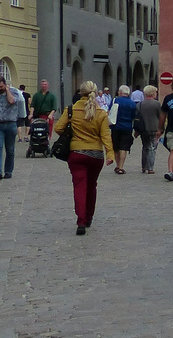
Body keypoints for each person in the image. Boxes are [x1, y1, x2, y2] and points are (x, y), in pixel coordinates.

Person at [53, 81, 114, 234]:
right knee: (92, 186)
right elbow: (105, 135)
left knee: (79, 186)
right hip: (96, 155)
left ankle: (81, 221)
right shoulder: (100, 112)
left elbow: (58, 128)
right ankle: (89, 217)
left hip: (77, 153)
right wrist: (110, 154)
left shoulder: (71, 110)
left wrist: (72, 135)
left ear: (80, 93)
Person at [110, 85, 137, 173]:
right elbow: (134, 116)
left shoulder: (115, 100)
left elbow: (110, 111)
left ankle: (117, 165)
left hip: (115, 126)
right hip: (127, 127)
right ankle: (121, 166)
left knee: (116, 147)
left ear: (120, 92)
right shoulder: (132, 103)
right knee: (124, 147)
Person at [136, 85, 161, 173]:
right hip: (154, 128)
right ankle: (150, 168)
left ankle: (144, 166)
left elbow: (137, 118)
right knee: (152, 148)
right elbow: (160, 117)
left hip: (143, 128)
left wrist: (136, 130)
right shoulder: (157, 104)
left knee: (145, 147)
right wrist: (161, 129)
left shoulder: (140, 104)